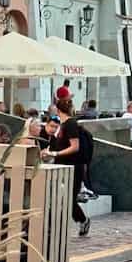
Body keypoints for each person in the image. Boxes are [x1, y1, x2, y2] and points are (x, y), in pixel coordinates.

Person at [49, 97, 90, 236]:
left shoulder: (71, 124)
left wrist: (56, 153)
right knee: (63, 198)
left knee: (69, 198)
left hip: (73, 167)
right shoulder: (62, 125)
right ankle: (78, 220)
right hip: (61, 166)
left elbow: (75, 147)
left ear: (58, 109)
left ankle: (82, 220)